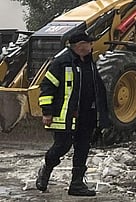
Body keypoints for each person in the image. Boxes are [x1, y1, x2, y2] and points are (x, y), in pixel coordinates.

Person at [36, 32, 110, 197]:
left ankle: (76, 184)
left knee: (82, 148)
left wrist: (103, 115)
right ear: (78, 45)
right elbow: (47, 87)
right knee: (62, 147)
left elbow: (99, 90)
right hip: (67, 116)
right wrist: (47, 112)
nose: (90, 46)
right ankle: (46, 169)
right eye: (87, 43)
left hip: (87, 115)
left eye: (90, 43)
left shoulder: (91, 63)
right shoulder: (61, 63)